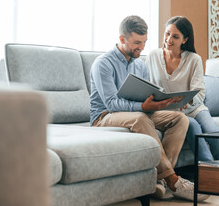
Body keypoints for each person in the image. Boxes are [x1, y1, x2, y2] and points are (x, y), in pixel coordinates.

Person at [89, 15, 208, 202]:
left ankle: (158, 181)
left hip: (136, 112)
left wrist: (159, 102)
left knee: (179, 118)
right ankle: (172, 180)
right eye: (137, 42)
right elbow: (111, 103)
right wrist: (143, 107)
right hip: (104, 116)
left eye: (144, 42)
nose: (142, 48)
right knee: (140, 118)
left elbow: (144, 95)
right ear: (122, 39)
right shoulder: (103, 63)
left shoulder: (138, 64)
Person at [146, 16, 219, 163]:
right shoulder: (152, 56)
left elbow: (200, 92)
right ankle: (208, 175)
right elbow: (148, 86)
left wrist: (188, 102)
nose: (169, 39)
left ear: (185, 39)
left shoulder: (194, 59)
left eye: (175, 36)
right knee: (193, 127)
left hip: (194, 108)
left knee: (217, 137)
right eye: (167, 33)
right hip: (169, 112)